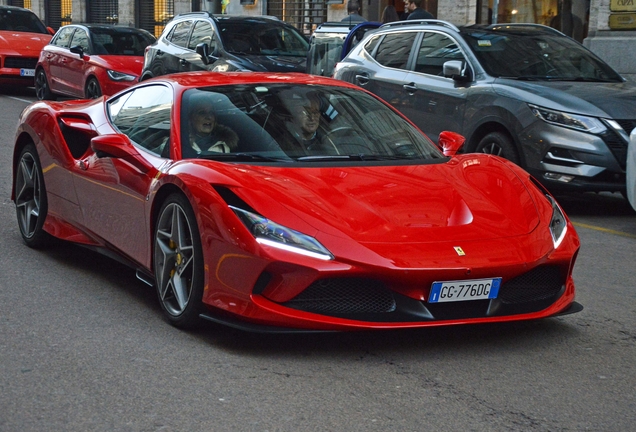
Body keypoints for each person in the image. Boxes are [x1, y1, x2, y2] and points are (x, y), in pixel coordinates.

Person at [279, 91, 336, 156]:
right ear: (293, 118)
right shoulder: (281, 144)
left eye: (315, 113)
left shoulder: (330, 141)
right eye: (305, 113)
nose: (312, 118)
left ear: (320, 115)